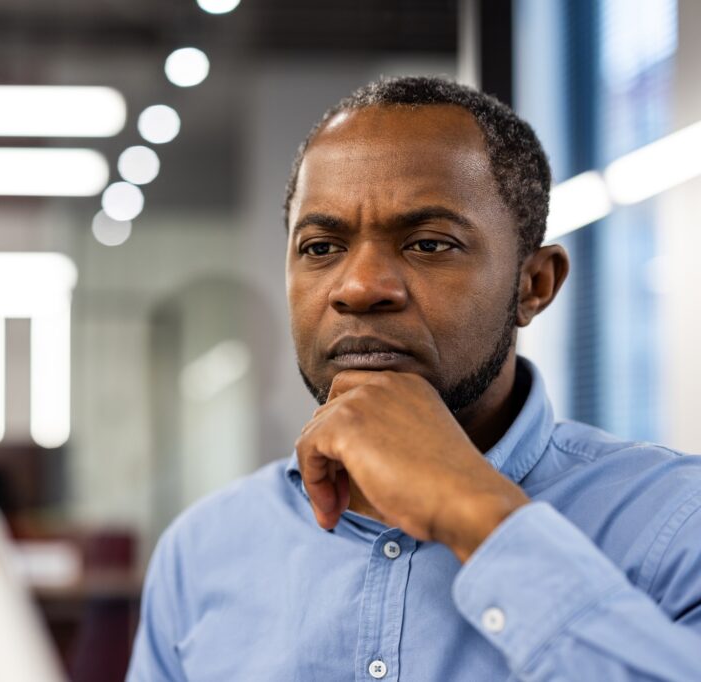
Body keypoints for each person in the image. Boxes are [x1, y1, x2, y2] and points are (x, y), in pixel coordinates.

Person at [125, 76, 701, 681]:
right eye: (321, 248)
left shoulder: (678, 521)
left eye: (429, 243)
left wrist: (474, 509)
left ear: (534, 285)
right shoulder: (203, 551)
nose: (359, 287)